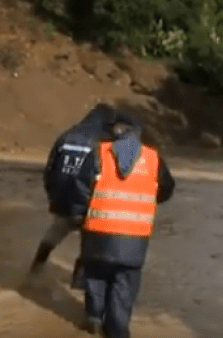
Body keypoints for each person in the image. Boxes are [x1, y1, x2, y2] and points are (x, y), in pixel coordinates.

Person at [70, 113, 175, 338]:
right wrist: (147, 200)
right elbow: (167, 189)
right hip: (134, 239)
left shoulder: (99, 153)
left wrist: (78, 217)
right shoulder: (154, 159)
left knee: (96, 277)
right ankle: (117, 330)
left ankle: (94, 320)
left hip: (98, 233)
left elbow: (80, 188)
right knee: (124, 286)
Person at [29, 103, 118, 274]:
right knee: (90, 243)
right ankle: (79, 282)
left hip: (62, 199)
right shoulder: (105, 141)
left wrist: (53, 197)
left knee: (54, 234)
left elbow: (50, 169)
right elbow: (106, 176)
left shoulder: (66, 136)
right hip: (88, 203)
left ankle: (35, 271)